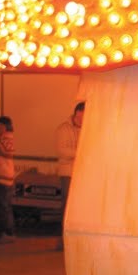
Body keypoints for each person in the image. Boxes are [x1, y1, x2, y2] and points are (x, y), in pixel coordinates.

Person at [54, 102, 84, 251]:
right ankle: (63, 240)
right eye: (79, 118)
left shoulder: (87, 128)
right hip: (68, 174)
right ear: (75, 113)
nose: (81, 121)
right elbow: (62, 151)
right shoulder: (63, 129)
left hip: (82, 174)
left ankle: (77, 240)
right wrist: (82, 153)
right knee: (67, 207)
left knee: (80, 208)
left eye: (83, 118)